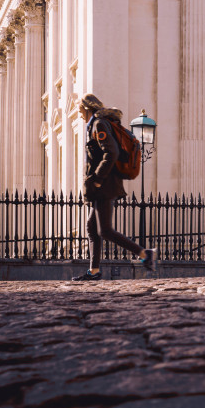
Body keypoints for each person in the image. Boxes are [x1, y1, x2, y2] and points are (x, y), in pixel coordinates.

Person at [71, 93, 155, 281]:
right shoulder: (96, 124)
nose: (79, 114)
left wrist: (98, 179)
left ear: (87, 108)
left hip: (106, 185)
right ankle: (94, 271)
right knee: (92, 227)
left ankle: (144, 254)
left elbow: (111, 152)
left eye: (80, 110)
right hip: (104, 185)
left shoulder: (99, 124)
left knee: (105, 230)